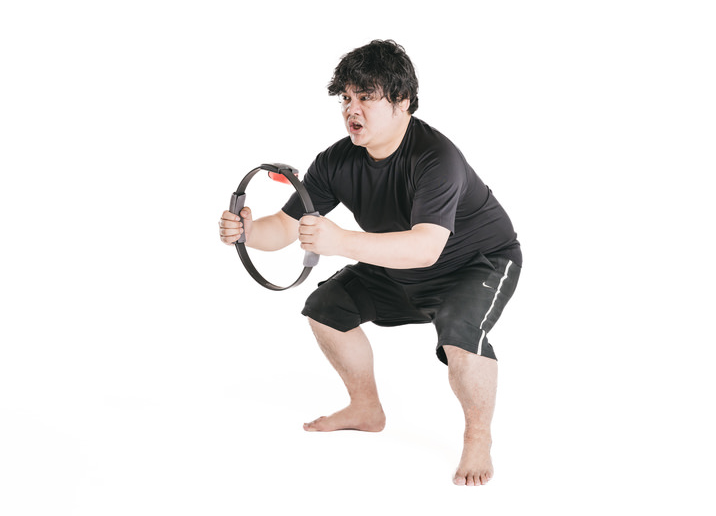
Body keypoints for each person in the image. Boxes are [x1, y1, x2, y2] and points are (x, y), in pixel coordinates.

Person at [218, 40, 522, 486]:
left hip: (476, 264)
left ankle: (478, 437)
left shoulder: (436, 159)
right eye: (346, 97)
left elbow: (426, 249)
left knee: (461, 335)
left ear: (403, 101)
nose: (351, 109)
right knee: (325, 309)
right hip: (399, 265)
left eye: (366, 96)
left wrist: (340, 241)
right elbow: (284, 227)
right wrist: (247, 231)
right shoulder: (336, 160)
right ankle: (365, 407)